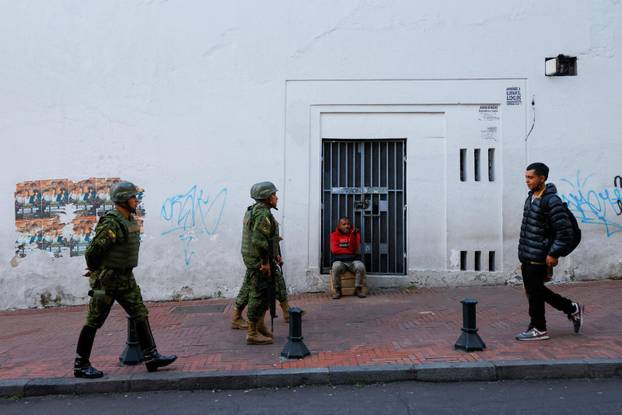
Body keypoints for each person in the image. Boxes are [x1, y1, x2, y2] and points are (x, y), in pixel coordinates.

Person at [73, 181, 177, 378]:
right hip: (108, 279)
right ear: (122, 199)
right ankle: (81, 364)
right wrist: (96, 270)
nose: (136, 200)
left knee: (139, 312)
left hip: (125, 277)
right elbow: (93, 251)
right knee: (94, 320)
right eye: (133, 197)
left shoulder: (128, 218)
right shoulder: (112, 222)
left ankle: (151, 357)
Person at [516, 162, 583, 341]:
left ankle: (539, 328)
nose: (527, 181)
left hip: (540, 255)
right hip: (528, 254)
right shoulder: (530, 197)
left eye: (531, 178)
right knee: (534, 291)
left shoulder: (551, 201)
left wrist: (554, 253)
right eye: (526, 177)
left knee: (535, 292)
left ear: (542, 178)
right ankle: (571, 308)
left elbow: (565, 231)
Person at [233, 181, 283, 345]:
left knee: (257, 289)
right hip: (258, 260)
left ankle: (260, 326)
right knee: (259, 293)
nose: (276, 197)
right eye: (274, 195)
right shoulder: (262, 214)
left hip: (252, 258)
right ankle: (252, 332)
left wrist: (275, 254)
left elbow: (267, 238)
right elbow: (259, 241)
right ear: (267, 197)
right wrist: (265, 263)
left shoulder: (253, 210)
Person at [330, 217, 366, 299]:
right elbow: (334, 250)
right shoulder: (334, 235)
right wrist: (349, 251)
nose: (347, 226)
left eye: (348, 224)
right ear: (339, 226)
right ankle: (338, 290)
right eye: (344, 224)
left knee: (360, 266)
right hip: (340, 261)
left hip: (353, 261)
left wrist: (353, 236)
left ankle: (358, 289)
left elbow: (355, 249)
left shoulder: (355, 234)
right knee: (335, 267)